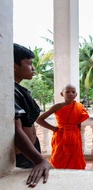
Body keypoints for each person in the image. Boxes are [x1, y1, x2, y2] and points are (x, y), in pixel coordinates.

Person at [14, 43, 53, 187]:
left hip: (28, 152)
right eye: (29, 63)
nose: (33, 68)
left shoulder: (19, 90)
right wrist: (39, 160)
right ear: (14, 65)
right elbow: (16, 130)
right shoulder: (9, 91)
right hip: (21, 156)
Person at [36, 84, 89, 169]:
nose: (70, 94)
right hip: (61, 136)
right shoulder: (57, 106)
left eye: (73, 92)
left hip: (75, 135)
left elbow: (79, 122)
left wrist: (78, 135)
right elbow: (39, 119)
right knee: (59, 157)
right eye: (67, 92)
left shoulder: (79, 106)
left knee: (75, 158)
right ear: (62, 94)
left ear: (76, 94)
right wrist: (53, 128)